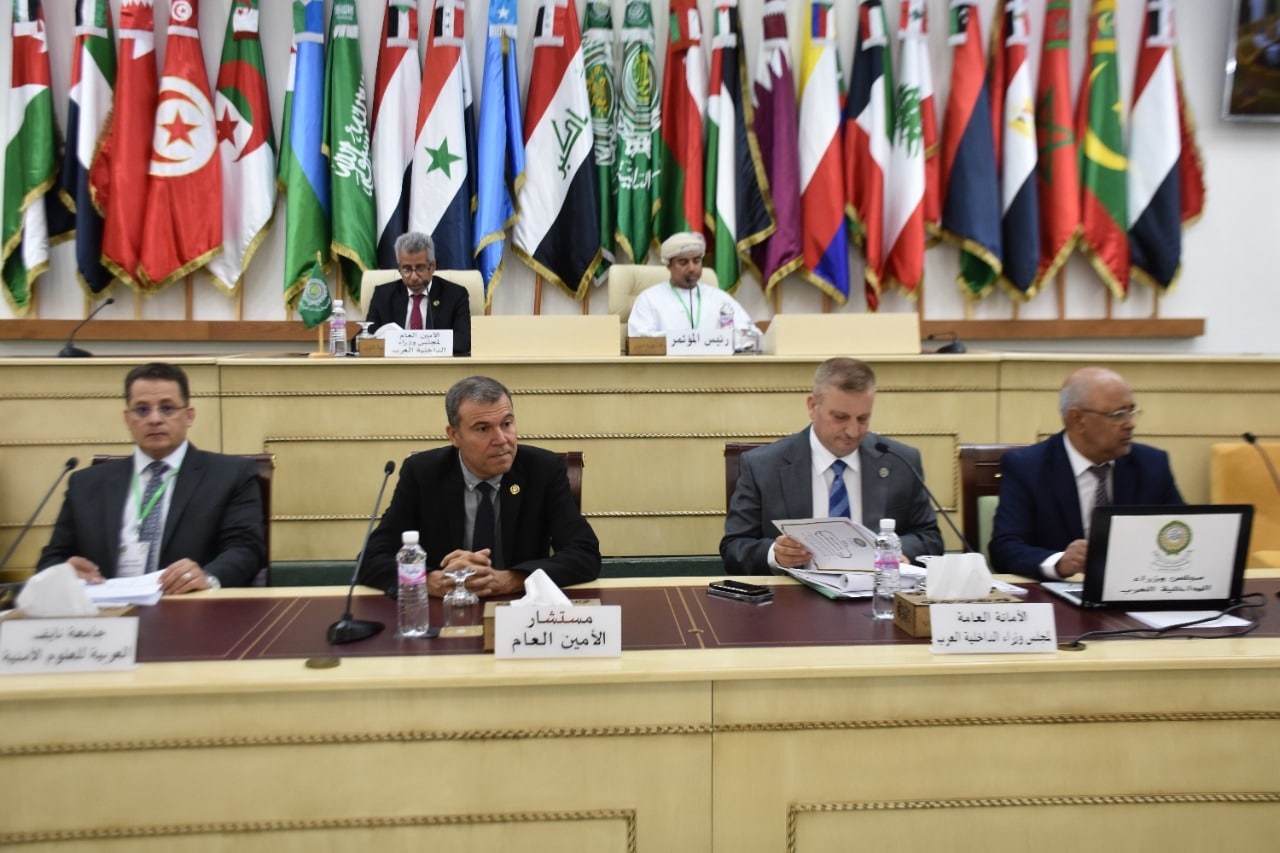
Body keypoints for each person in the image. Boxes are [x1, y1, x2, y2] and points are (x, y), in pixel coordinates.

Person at [358, 375, 601, 597]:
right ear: (454, 435)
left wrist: (512, 579)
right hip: (445, 607)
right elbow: (370, 559)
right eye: (483, 428)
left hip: (519, 607)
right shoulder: (422, 473)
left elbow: (584, 554)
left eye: (507, 424)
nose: (501, 439)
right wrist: (427, 581)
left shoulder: (543, 470)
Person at [38, 363, 265, 594]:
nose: (155, 419)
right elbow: (52, 559)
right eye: (142, 410)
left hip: (188, 606)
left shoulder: (229, 475)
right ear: (127, 419)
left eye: (167, 408)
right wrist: (63, 572)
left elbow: (246, 549)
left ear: (189, 416)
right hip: (107, 610)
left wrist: (208, 577)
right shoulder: (86, 484)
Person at [720, 358, 943, 574]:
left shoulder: (900, 461)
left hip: (876, 593)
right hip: (795, 594)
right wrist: (775, 554)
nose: (852, 431)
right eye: (840, 417)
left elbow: (930, 538)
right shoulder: (764, 466)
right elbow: (734, 547)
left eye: (863, 419)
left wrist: (899, 551)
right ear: (812, 406)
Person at [988, 366, 1184, 580]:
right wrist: (1059, 562)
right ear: (1077, 419)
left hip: (1136, 586)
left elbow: (1182, 530)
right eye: (1118, 415)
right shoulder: (1028, 467)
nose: (1130, 424)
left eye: (1131, 411)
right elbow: (1005, 548)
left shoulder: (1152, 464)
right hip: (1061, 591)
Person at [627, 232, 755, 344]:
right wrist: (682, 340)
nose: (692, 268)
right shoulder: (649, 299)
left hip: (713, 364)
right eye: (683, 262)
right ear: (668, 265)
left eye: (697, 261)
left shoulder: (719, 298)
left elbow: (751, 334)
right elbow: (638, 340)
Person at [364, 231, 472, 355]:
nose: (414, 277)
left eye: (420, 268)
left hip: (438, 365)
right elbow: (369, 336)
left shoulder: (455, 295)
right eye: (406, 269)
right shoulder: (383, 295)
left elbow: (463, 341)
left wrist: (418, 344)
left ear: (433, 266)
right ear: (399, 268)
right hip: (395, 365)